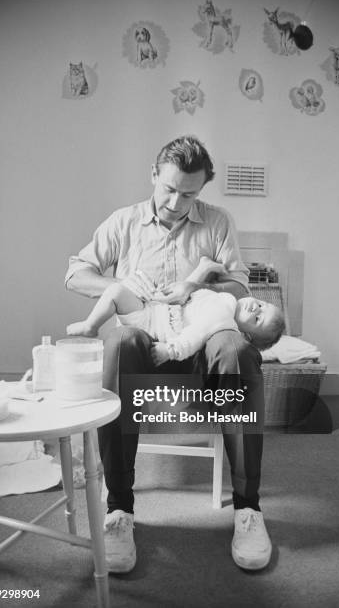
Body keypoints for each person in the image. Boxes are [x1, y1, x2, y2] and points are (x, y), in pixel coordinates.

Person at [65, 135, 272, 573]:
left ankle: (248, 509)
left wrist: (195, 286)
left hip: (202, 348)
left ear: (202, 191)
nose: (177, 202)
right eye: (170, 189)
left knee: (235, 347)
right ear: (154, 175)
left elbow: (240, 287)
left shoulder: (217, 222)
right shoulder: (123, 223)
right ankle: (119, 511)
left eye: (189, 194)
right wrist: (125, 290)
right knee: (119, 342)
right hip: (143, 346)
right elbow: (76, 273)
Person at [66, 256, 285, 363]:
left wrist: (170, 351)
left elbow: (195, 334)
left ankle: (90, 326)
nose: (255, 308)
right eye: (262, 306)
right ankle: (90, 325)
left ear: (246, 335)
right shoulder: (225, 302)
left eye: (257, 319)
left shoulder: (224, 317)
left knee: (115, 292)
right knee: (115, 290)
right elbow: (188, 298)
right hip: (155, 309)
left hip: (154, 324)